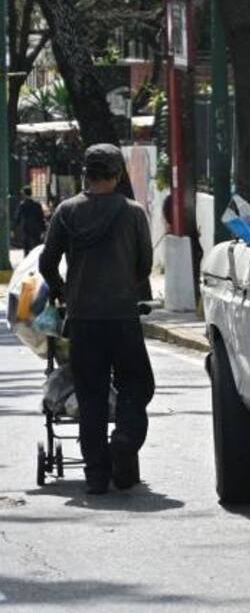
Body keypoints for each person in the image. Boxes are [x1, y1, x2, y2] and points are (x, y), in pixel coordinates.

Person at [39, 144, 154, 495]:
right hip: (122, 317)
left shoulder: (66, 212)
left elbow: (46, 263)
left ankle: (95, 476)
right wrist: (126, 286)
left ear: (85, 174)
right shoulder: (133, 213)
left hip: (83, 320)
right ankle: (125, 437)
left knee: (90, 396)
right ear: (117, 175)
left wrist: (63, 290)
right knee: (138, 385)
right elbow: (145, 265)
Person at [13, 186, 46, 254]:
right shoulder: (37, 205)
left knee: (26, 248)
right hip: (36, 229)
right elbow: (41, 217)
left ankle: (27, 261)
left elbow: (17, 217)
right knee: (37, 248)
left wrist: (14, 228)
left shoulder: (22, 205)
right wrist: (43, 229)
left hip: (26, 229)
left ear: (24, 194)